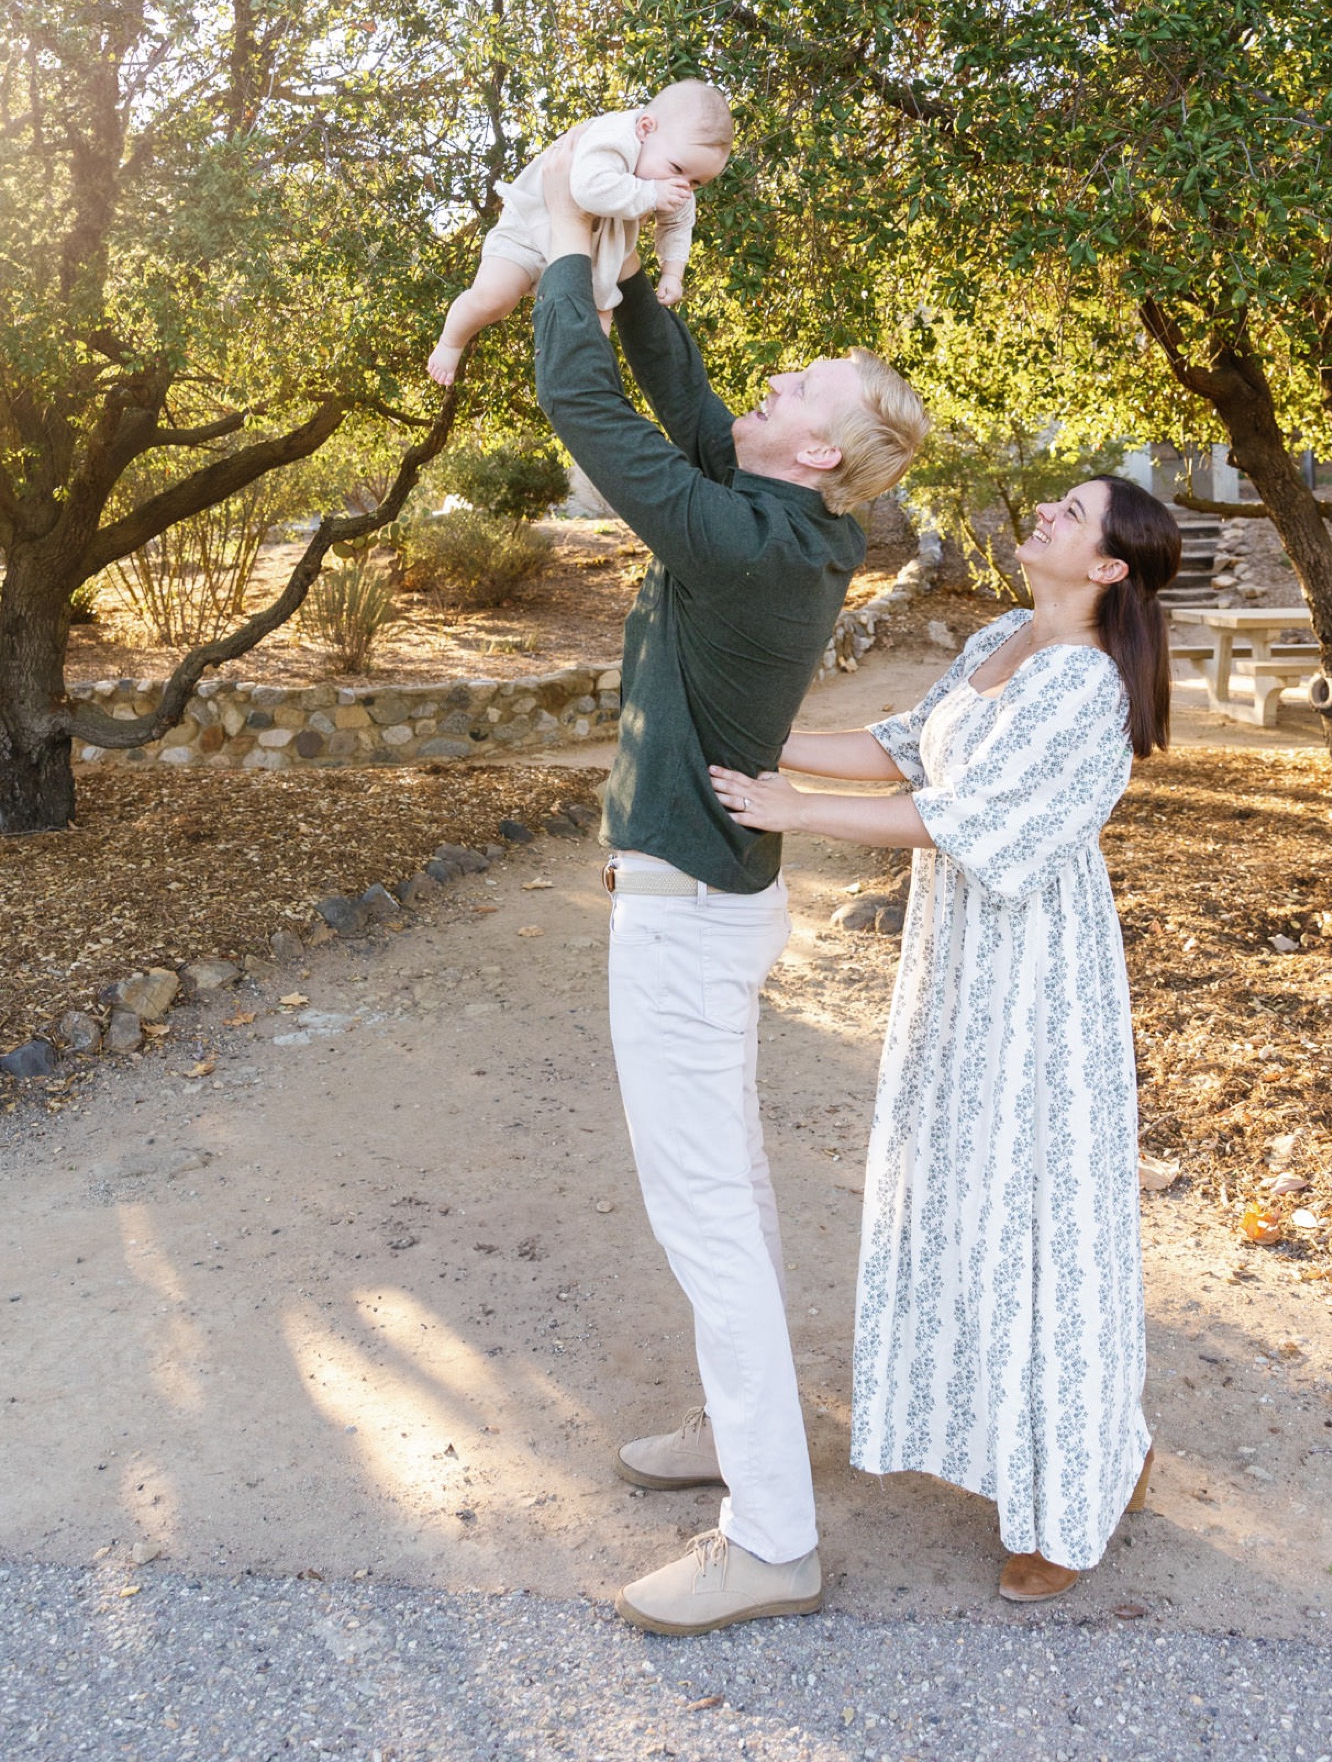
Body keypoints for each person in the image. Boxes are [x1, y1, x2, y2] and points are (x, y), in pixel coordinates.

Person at [531, 132, 929, 1636]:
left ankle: (773, 1537)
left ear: (822, 451)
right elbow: (686, 409)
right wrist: (651, 288)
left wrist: (572, 243)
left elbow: (586, 408)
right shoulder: (777, 517)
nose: (768, 392)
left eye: (797, 392)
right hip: (712, 901)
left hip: (690, 916)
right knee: (735, 1192)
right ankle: (734, 1433)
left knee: (703, 1207)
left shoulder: (756, 547)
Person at [709, 476, 1182, 1602]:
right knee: (960, 1195)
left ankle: (1081, 1486)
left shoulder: (1087, 686)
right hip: (963, 961)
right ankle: (1060, 1441)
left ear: (1110, 567)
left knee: (1044, 1218)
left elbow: (957, 820)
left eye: (1075, 514)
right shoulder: (1004, 634)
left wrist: (795, 812)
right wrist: (766, 741)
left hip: (1038, 975)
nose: (1051, 517)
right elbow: (907, 748)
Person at [427, 79, 733, 381]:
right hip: (531, 231)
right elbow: (587, 188)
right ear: (645, 128)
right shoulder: (613, 137)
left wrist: (672, 273)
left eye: (696, 182)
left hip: (591, 256)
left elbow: (680, 223)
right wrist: (651, 192)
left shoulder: (671, 169)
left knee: (595, 332)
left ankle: (584, 390)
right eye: (677, 170)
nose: (683, 186)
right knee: (495, 297)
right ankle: (451, 341)